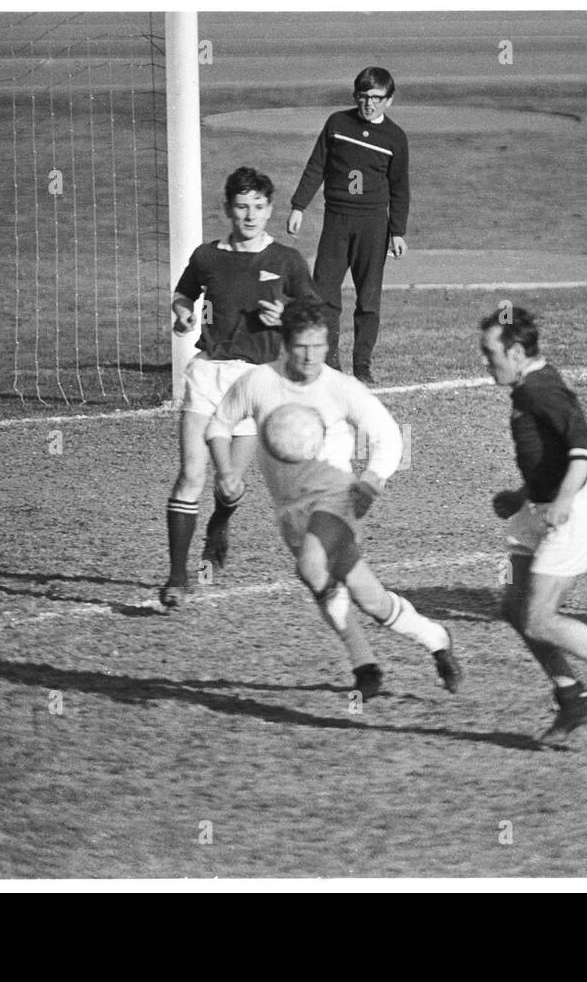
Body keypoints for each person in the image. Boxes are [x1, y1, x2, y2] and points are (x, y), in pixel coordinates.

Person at [206, 301, 460, 699]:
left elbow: (388, 435)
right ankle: (433, 639)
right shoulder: (257, 382)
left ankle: (364, 667)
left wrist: (372, 482)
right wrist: (226, 471)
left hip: (336, 499)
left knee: (311, 566)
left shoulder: (341, 388)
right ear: (285, 345)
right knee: (371, 600)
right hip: (289, 511)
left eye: (319, 345)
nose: (311, 356)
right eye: (302, 346)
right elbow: (219, 424)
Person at [480, 307, 587, 745]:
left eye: (490, 353)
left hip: (572, 515)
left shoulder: (541, 390)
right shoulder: (528, 387)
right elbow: (551, 455)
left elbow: (583, 448)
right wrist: (522, 495)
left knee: (538, 620)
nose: (485, 363)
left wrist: (561, 502)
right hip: (538, 510)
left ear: (516, 352)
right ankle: (572, 697)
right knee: (516, 610)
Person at [161, 166, 317, 608]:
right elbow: (183, 295)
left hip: (255, 382)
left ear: (269, 208)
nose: (250, 215)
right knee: (192, 473)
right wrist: (183, 313)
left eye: (259, 206)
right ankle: (176, 578)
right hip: (208, 374)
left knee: (230, 485)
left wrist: (285, 315)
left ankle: (219, 524)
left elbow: (314, 314)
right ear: (229, 209)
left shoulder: (286, 260)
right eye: (241, 206)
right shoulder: (207, 256)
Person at [287, 66, 409, 386]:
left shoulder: (395, 138)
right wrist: (299, 206)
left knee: (368, 299)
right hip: (337, 219)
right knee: (324, 293)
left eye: (376, 98)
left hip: (373, 225)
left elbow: (399, 188)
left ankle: (363, 366)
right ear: (355, 96)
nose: (369, 104)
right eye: (363, 97)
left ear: (389, 101)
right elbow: (317, 165)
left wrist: (397, 231)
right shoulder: (337, 124)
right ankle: (329, 362)